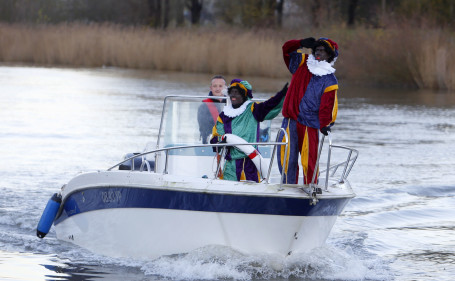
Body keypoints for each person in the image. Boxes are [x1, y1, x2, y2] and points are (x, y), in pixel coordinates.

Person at [277, 37, 339, 185]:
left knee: (309, 160)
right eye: (317, 49)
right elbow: (286, 49)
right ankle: (288, 186)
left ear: (329, 55)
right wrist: (300, 43)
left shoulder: (330, 79)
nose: (319, 53)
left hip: (309, 124)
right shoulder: (301, 62)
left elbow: (327, 105)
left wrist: (325, 124)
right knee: (286, 157)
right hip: (290, 120)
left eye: (323, 51)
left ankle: (311, 187)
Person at [211, 79, 288, 182]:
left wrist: (282, 94)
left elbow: (269, 106)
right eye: (232, 92)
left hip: (251, 162)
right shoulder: (224, 115)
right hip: (231, 165)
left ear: (244, 95)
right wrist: (220, 141)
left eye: (237, 92)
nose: (233, 95)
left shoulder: (253, 109)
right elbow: (215, 137)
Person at [197, 75, 227, 144]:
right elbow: (203, 130)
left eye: (220, 86)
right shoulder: (203, 107)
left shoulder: (231, 103)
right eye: (215, 86)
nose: (217, 89)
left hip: (229, 142)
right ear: (211, 88)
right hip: (211, 142)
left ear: (225, 88)